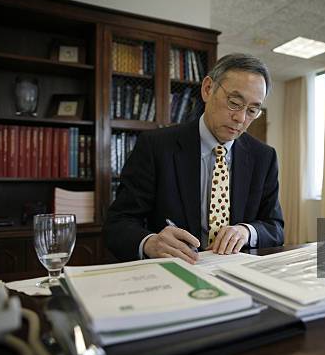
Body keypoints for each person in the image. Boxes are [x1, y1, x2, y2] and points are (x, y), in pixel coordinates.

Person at [103, 53, 284, 263]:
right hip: (174, 275)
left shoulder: (264, 157)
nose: (241, 118)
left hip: (238, 273)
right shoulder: (156, 146)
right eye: (234, 102)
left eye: (252, 110)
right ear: (208, 89)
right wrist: (151, 242)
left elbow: (275, 227)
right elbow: (118, 223)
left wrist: (246, 231)